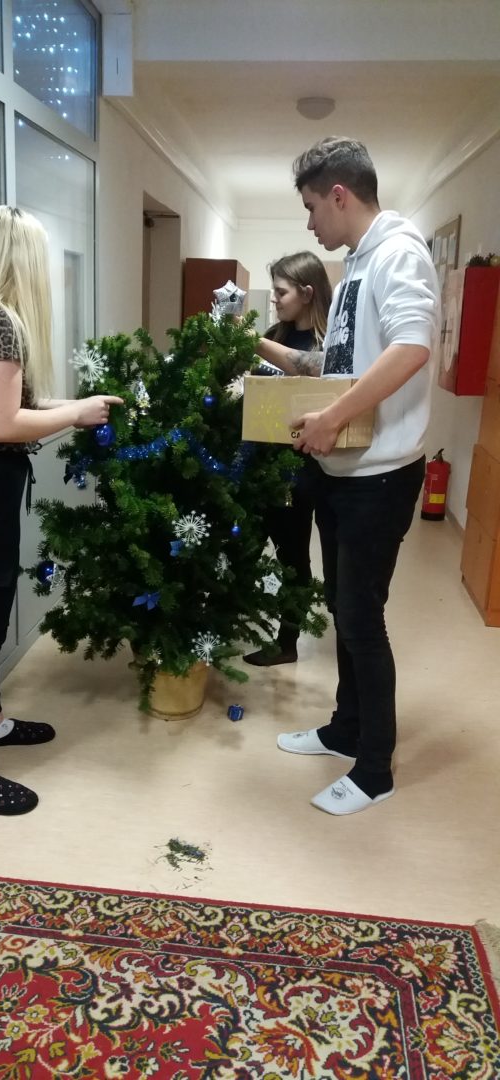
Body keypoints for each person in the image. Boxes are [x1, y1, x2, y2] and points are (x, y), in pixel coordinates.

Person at [0, 205, 123, 816]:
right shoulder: (1, 324)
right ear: (25, 260)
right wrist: (76, 414)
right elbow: (5, 424)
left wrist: (81, 405)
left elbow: (19, 403)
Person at [276, 138, 440, 816]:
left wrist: (333, 416)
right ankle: (346, 728)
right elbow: (346, 363)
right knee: (344, 611)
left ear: (339, 195)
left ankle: (375, 769)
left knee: (362, 620)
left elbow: (412, 348)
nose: (310, 222)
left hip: (380, 476)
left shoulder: (399, 253)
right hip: (342, 470)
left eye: (312, 206)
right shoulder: (356, 267)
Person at [243, 252, 332, 665]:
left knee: (292, 557)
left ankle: (287, 643)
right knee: (243, 549)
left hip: (299, 473)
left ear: (307, 293)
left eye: (281, 292)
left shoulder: (324, 348)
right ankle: (227, 626)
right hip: (256, 463)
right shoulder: (274, 334)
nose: (275, 299)